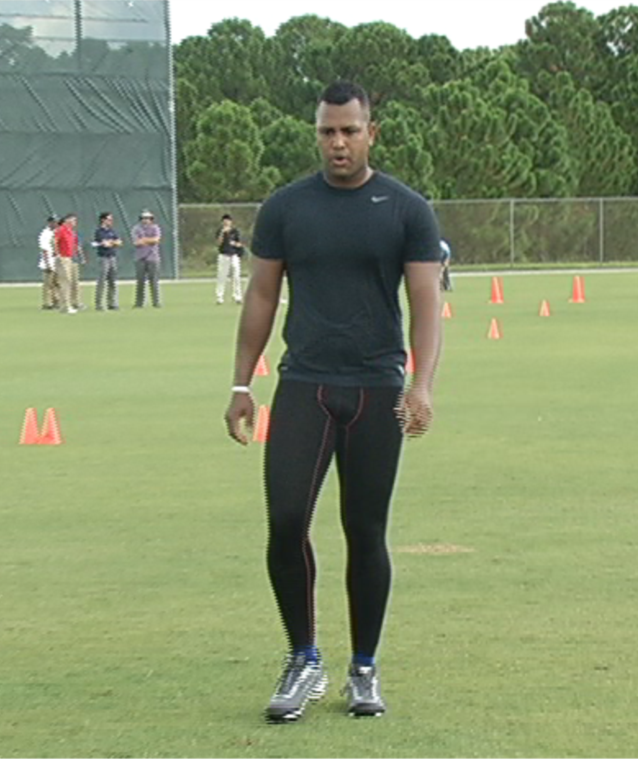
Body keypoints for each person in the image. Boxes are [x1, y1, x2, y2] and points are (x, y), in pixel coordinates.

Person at [223, 81, 442, 723]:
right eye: (327, 131)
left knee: (365, 531)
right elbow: (261, 296)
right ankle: (303, 659)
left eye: (349, 130)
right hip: (305, 386)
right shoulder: (287, 208)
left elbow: (426, 303)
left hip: (376, 389)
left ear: (372, 132)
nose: (338, 142)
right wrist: (241, 384)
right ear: (316, 134)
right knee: (287, 521)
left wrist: (421, 384)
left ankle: (364, 668)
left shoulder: (406, 209)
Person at [131, 210, 162, 308]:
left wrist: (144, 240)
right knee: (140, 281)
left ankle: (156, 302)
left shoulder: (155, 228)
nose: (145, 220)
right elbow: (136, 242)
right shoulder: (136, 229)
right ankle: (139, 303)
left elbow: (156, 240)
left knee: (154, 280)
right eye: (144, 218)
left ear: (151, 219)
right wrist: (148, 240)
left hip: (153, 257)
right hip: (140, 258)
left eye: (148, 218)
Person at [92, 212, 122, 310]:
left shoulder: (112, 231)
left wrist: (112, 242)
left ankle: (112, 303)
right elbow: (105, 244)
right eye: (109, 219)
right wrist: (112, 242)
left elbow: (119, 242)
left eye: (111, 219)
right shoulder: (99, 232)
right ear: (103, 220)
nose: (111, 221)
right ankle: (99, 304)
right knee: (102, 281)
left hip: (112, 257)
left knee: (113, 281)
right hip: (103, 258)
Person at [215, 214, 245, 305]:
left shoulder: (235, 231)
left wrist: (234, 243)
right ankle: (220, 296)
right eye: (224, 221)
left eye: (228, 220)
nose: (226, 222)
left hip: (234, 255)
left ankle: (237, 296)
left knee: (236, 276)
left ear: (231, 222)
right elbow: (218, 243)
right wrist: (222, 233)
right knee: (222, 276)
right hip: (223, 255)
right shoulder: (220, 231)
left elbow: (240, 244)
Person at [54, 214, 79, 314]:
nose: (75, 222)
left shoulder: (71, 232)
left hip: (70, 258)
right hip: (63, 258)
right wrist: (57, 254)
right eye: (73, 220)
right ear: (67, 221)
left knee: (69, 282)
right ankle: (65, 306)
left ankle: (67, 305)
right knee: (65, 281)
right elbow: (54, 241)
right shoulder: (61, 229)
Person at [38, 215, 60, 310]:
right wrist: (47, 264)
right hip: (49, 262)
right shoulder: (45, 234)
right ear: (49, 223)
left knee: (57, 283)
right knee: (48, 284)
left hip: (56, 262)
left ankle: (56, 302)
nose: (56, 224)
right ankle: (47, 303)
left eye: (57, 222)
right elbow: (44, 250)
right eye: (54, 222)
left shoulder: (57, 232)